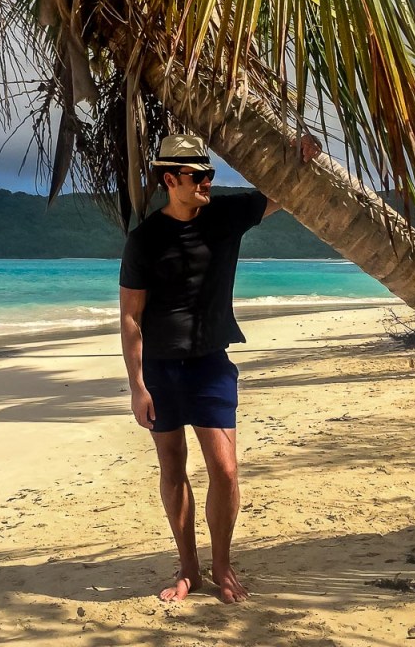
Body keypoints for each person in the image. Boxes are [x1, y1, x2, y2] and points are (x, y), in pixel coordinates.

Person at [118, 132, 321, 604]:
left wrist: (297, 155)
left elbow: (283, 193)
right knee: (173, 467)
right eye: (197, 175)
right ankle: (189, 569)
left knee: (225, 471)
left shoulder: (225, 216)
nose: (208, 181)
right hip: (161, 370)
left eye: (209, 173)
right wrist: (137, 386)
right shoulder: (144, 239)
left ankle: (223, 564)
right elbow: (130, 315)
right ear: (171, 180)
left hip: (211, 363)